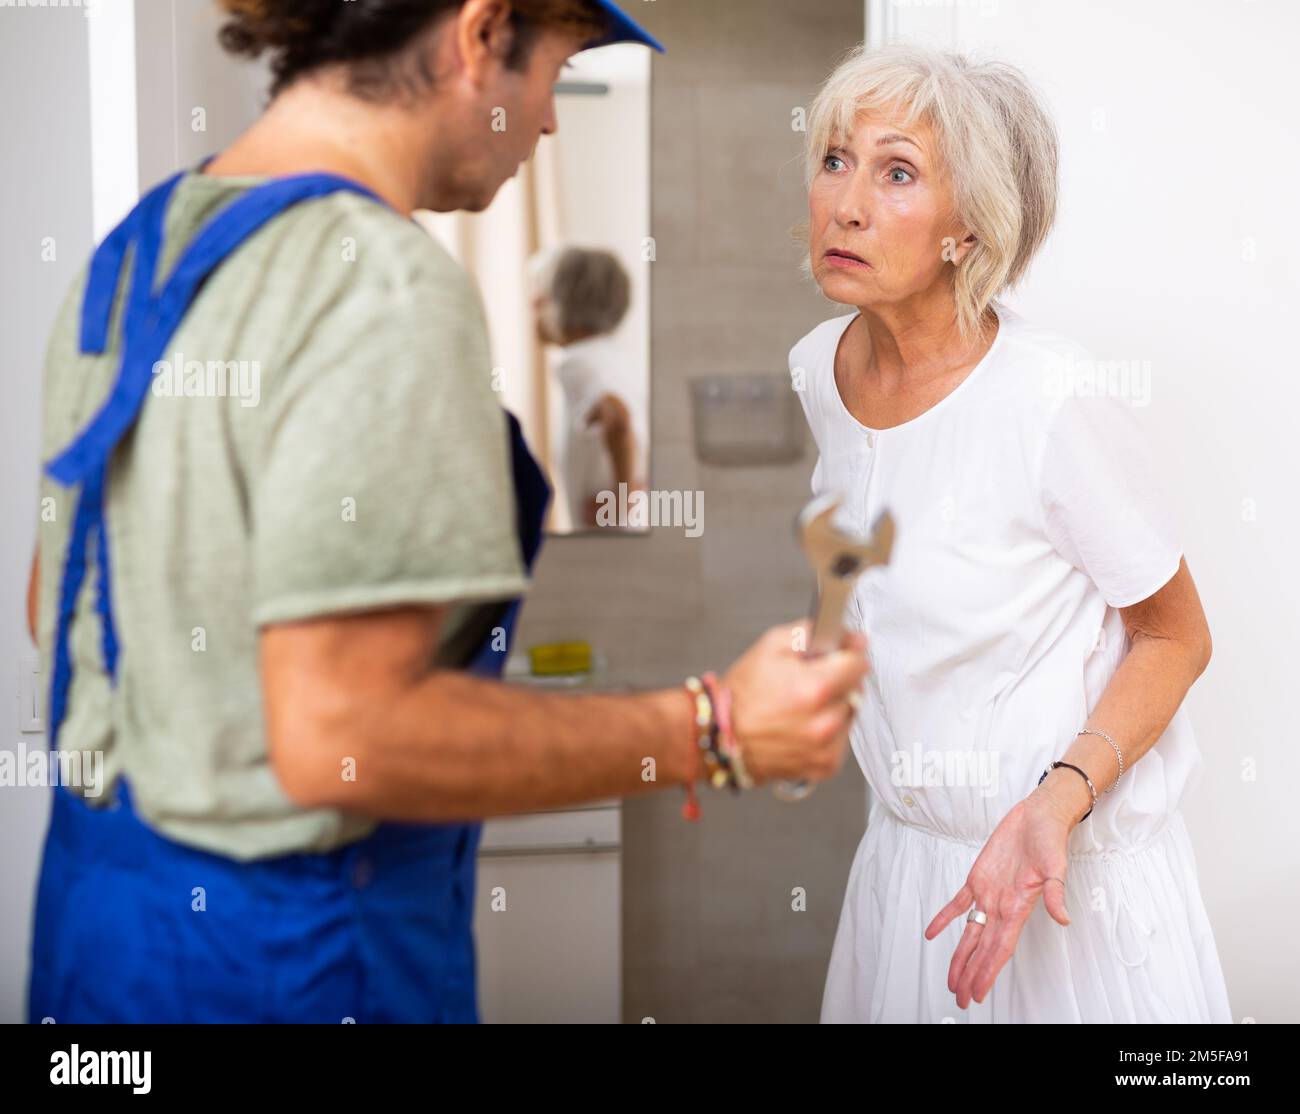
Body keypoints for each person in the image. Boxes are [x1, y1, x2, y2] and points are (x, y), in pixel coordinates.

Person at [25, 0, 868, 1024]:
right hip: (294, 959)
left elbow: (54, 604)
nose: (551, 121)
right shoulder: (375, 280)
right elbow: (350, 731)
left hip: (95, 936)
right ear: (480, 33)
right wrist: (710, 724)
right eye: (555, 71)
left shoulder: (131, 253)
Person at [792, 42, 1232, 1022]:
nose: (846, 203)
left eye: (896, 171)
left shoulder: (1052, 401)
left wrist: (1056, 798)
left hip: (1065, 889)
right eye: (834, 159)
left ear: (970, 227)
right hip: (907, 875)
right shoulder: (820, 369)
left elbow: (1176, 634)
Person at [531, 245, 647, 528]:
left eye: (540, 299)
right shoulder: (619, 359)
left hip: (608, 530)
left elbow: (618, 419)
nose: (533, 306)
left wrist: (621, 505)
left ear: (561, 304)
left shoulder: (578, 364)